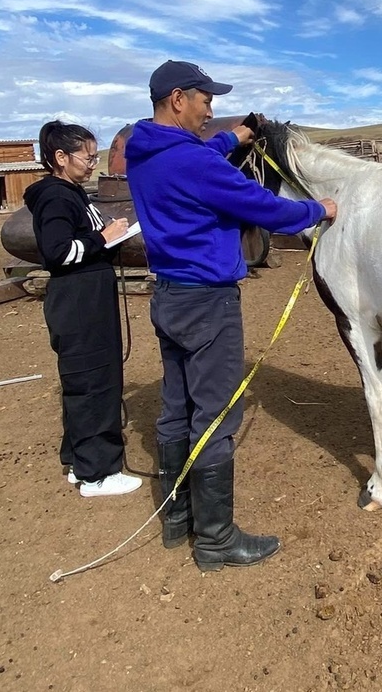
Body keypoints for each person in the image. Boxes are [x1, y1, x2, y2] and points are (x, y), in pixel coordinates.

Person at [125, 60, 337, 571]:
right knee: (217, 415)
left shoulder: (145, 151)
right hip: (208, 303)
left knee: (177, 408)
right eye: (205, 101)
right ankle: (217, 540)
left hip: (170, 297)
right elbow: (265, 207)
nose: (210, 112)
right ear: (179, 99)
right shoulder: (196, 164)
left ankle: (178, 519)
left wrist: (237, 135)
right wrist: (319, 210)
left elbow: (201, 156)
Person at [24, 121, 142, 498]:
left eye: (95, 156)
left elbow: (79, 240)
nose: (93, 163)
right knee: (95, 382)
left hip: (86, 298)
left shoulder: (71, 193)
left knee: (83, 381)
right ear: (60, 157)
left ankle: (78, 460)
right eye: (87, 157)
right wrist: (102, 238)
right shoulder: (57, 197)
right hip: (79, 303)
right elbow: (58, 252)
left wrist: (109, 235)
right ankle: (98, 474)